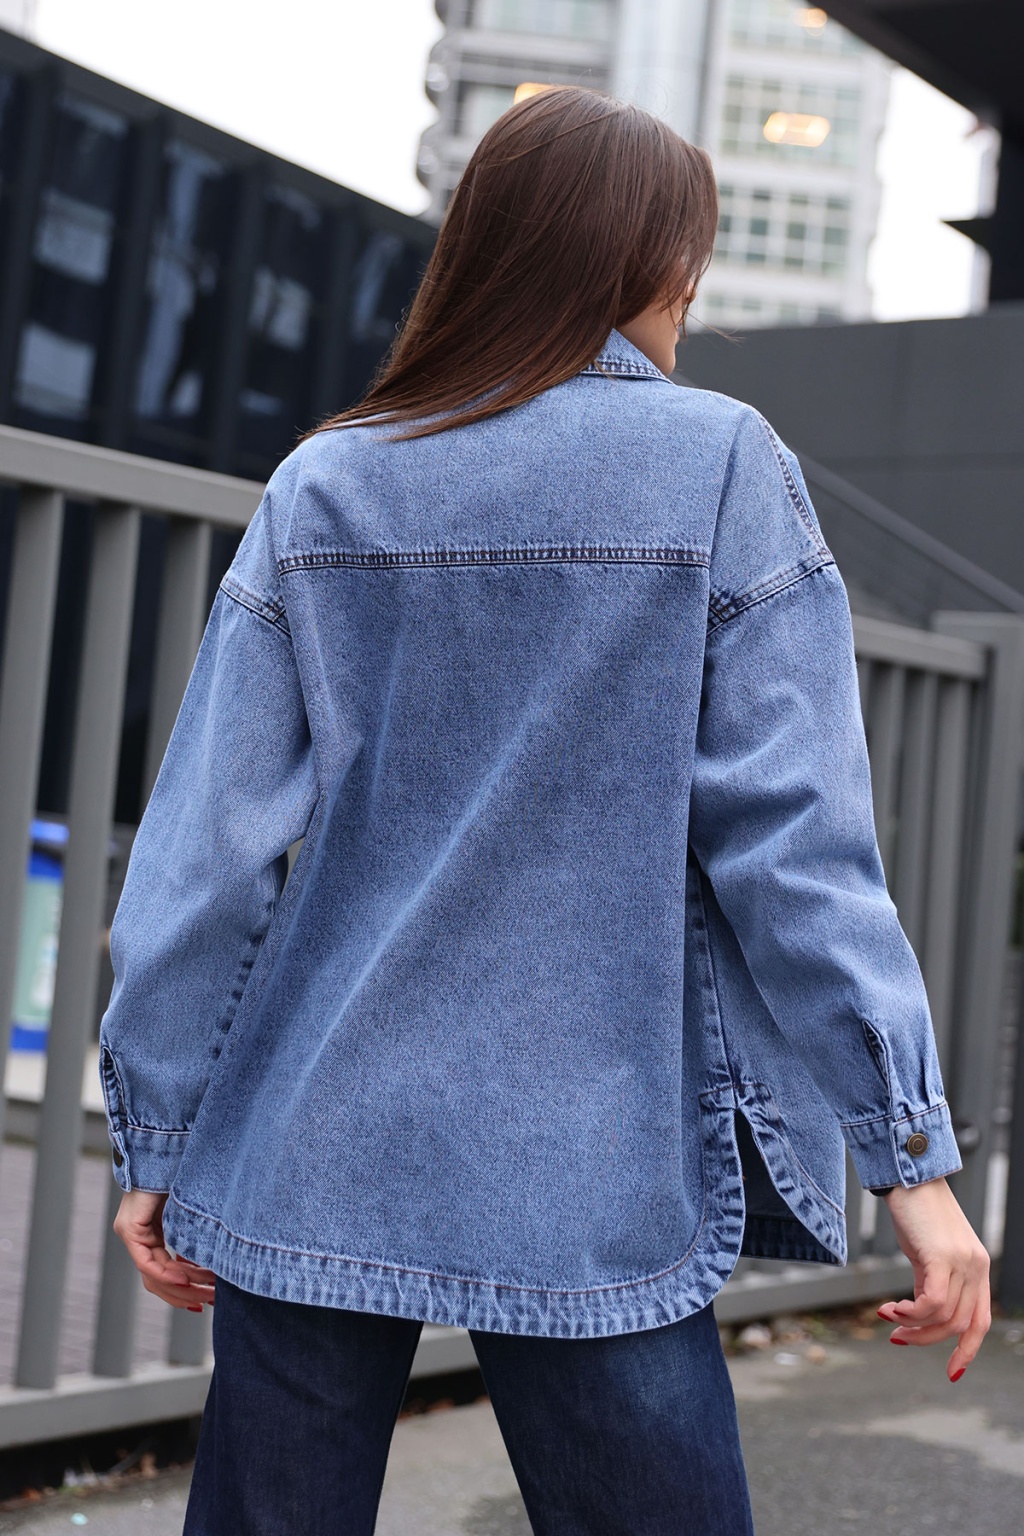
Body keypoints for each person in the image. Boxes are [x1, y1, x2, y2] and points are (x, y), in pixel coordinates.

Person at [101, 86, 990, 1535]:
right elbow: (795, 851)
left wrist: (157, 1129)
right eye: (690, 260)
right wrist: (914, 1163)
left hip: (309, 1140)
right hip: (593, 1169)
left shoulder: (327, 482)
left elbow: (204, 858)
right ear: (651, 263)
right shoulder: (719, 464)